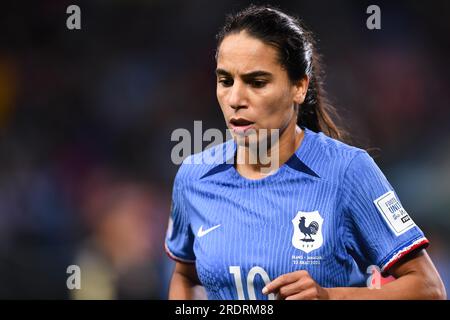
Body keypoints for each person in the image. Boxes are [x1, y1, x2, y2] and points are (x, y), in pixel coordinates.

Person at [164, 5, 446, 300]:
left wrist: (329, 296)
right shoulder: (194, 177)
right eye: (226, 81)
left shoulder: (348, 171)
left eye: (257, 82)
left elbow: (428, 288)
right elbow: (187, 277)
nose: (235, 98)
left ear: (299, 86)